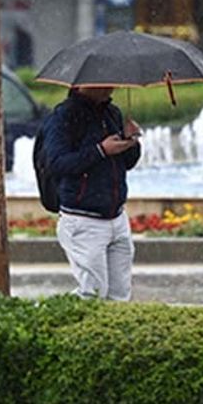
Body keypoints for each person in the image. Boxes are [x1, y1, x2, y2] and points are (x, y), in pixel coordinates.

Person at [42, 86, 142, 300]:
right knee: (92, 293)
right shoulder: (63, 117)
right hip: (83, 219)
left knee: (120, 295)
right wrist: (100, 150)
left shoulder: (112, 113)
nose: (109, 85)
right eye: (101, 81)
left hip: (117, 217)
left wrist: (131, 142)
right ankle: (48, 320)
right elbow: (56, 164)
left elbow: (126, 163)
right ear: (80, 85)